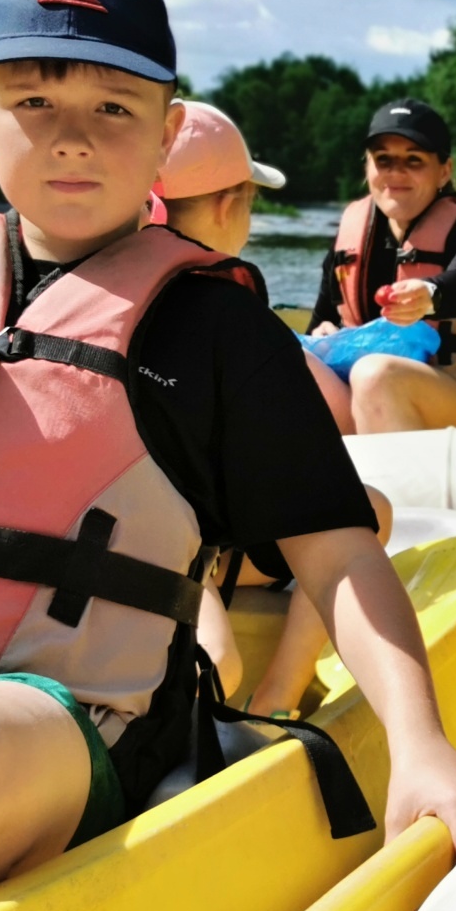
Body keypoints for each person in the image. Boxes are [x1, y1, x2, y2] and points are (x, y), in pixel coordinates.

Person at [0, 0, 456, 911]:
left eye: (114, 108)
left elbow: (335, 549)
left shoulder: (220, 334)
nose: (73, 137)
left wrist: (419, 742)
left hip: (69, 713)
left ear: (166, 133)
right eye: (34, 101)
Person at [156, 99, 391, 710]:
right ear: (229, 205)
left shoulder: (100, 282)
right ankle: (278, 697)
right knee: (365, 509)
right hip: (176, 549)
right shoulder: (235, 314)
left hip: (150, 532)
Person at [308, 99, 456, 435]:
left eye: (414, 160)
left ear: (444, 171)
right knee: (299, 360)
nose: (395, 172)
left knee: (375, 374)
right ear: (367, 167)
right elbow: (321, 319)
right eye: (383, 159)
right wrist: (323, 336)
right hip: (364, 401)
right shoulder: (352, 231)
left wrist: (431, 294)